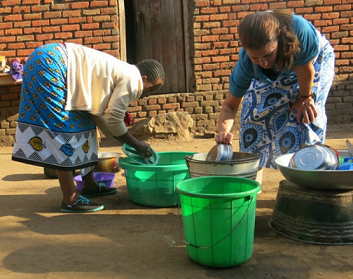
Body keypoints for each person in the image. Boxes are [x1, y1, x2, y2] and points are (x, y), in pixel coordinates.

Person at [12, 43, 165, 213]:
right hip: (51, 63)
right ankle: (70, 199)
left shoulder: (119, 74)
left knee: (85, 125)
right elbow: (114, 121)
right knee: (64, 130)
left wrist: (124, 140)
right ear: (143, 78)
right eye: (152, 89)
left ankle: (89, 185)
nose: (149, 94)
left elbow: (100, 118)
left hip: (49, 60)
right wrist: (137, 145)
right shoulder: (133, 80)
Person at [215, 10, 335, 168]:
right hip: (280, 69)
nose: (263, 63)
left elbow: (305, 70)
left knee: (302, 116)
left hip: (312, 61)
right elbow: (230, 105)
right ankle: (257, 171)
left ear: (278, 36)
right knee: (253, 116)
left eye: (268, 55)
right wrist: (223, 132)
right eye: (255, 57)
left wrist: (305, 97)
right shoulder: (246, 64)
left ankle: (306, 169)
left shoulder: (299, 30)